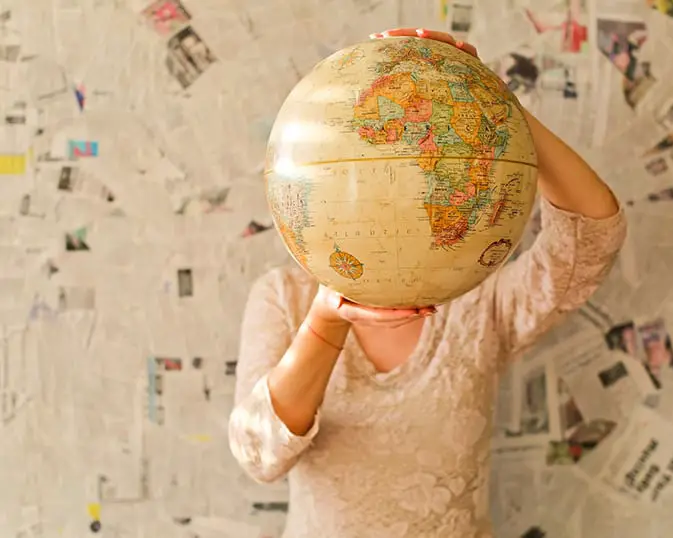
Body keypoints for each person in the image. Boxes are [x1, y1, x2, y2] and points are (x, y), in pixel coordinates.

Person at [228, 28, 627, 537]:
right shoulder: (285, 298)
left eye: (414, 167)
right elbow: (258, 455)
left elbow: (593, 235)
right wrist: (327, 321)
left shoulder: (479, 300)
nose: (387, 190)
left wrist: (497, 109)